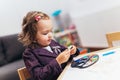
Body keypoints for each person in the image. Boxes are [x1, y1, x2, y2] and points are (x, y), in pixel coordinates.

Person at [18, 11, 79, 80]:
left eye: (51, 31)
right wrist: (57, 61)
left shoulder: (52, 43)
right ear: (32, 37)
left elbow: (65, 52)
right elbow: (38, 76)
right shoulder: (29, 54)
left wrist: (72, 51)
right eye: (45, 33)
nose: (50, 35)